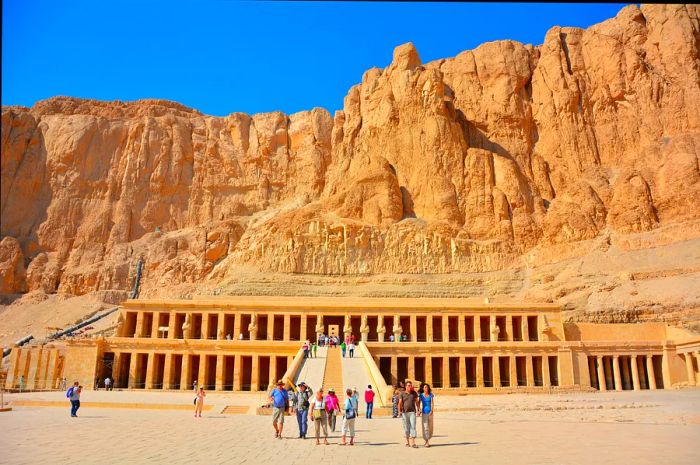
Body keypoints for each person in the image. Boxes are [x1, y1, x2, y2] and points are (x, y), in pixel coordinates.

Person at [398, 381, 419, 448]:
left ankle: (413, 443)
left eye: (410, 385)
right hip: (405, 413)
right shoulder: (402, 394)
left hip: (412, 412)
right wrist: (399, 411)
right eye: (408, 385)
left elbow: (417, 402)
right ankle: (407, 442)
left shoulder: (414, 393)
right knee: (406, 428)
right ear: (405, 386)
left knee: (413, 426)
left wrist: (419, 409)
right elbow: (400, 403)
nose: (409, 387)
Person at [418, 383, 435, 447]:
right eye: (424, 387)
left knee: (430, 427)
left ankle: (428, 437)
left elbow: (432, 403)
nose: (426, 388)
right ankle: (426, 441)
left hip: (430, 413)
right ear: (423, 388)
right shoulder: (421, 395)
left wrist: (432, 410)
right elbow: (418, 403)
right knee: (425, 427)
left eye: (427, 387)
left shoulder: (431, 395)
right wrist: (419, 409)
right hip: (424, 413)